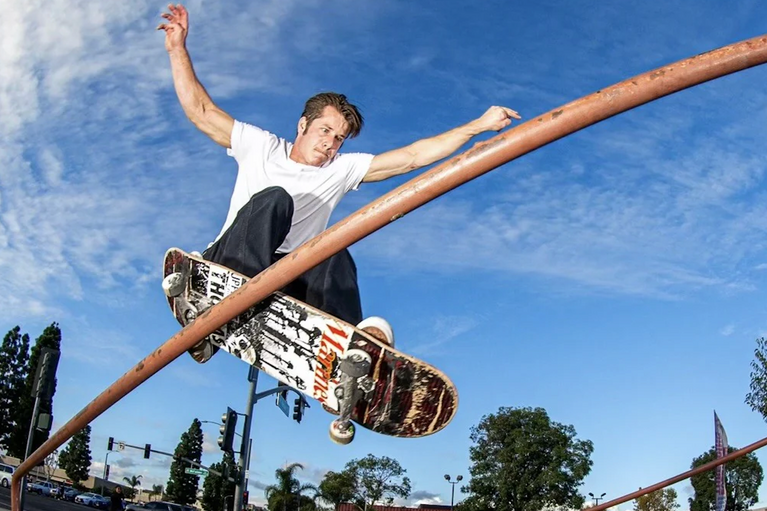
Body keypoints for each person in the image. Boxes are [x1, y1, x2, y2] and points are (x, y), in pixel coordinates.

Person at [158, 4, 519, 343]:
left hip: (281, 282)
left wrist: (476, 126)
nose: (331, 144)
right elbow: (202, 111)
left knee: (334, 248)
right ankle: (228, 294)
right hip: (229, 264)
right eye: (325, 131)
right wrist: (177, 49)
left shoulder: (342, 169)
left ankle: (351, 354)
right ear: (303, 125)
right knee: (275, 199)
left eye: (339, 139)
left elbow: (411, 156)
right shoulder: (261, 146)